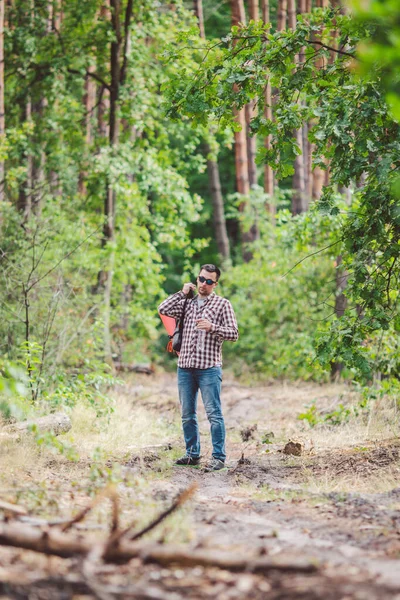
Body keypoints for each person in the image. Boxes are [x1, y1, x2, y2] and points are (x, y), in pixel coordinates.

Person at [158, 264, 238, 472]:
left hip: (209, 368)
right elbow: (163, 309)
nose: (204, 284)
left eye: (209, 281)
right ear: (197, 279)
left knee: (214, 413)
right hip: (185, 366)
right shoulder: (187, 302)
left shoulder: (223, 305)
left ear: (215, 284)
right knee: (187, 413)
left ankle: (218, 457)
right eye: (201, 279)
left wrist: (213, 328)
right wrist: (182, 293)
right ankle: (192, 453)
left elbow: (234, 334)